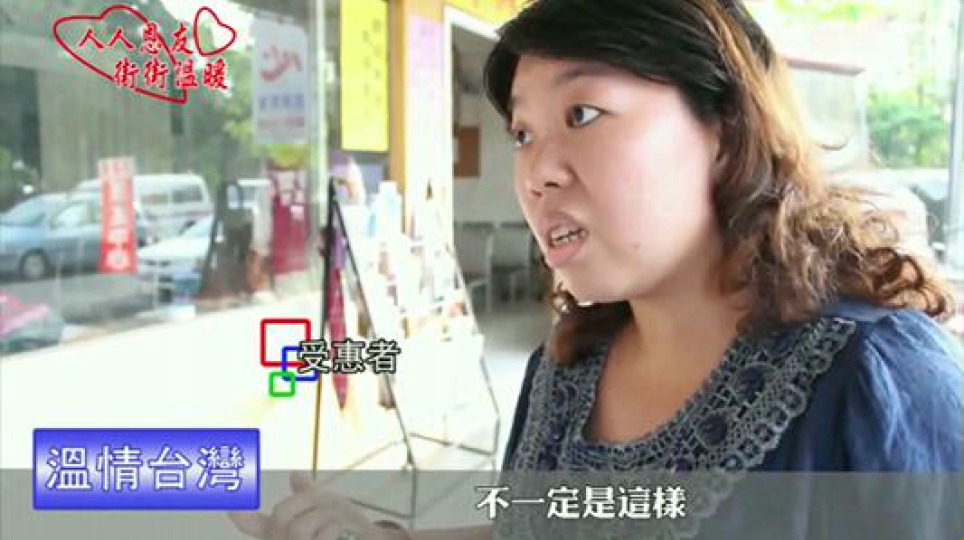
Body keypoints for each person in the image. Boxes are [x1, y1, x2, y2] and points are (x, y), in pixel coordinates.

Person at [230, 0, 963, 539]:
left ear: (723, 128)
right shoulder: (564, 370)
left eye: (582, 115)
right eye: (522, 132)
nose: (537, 171)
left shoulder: (877, 377)